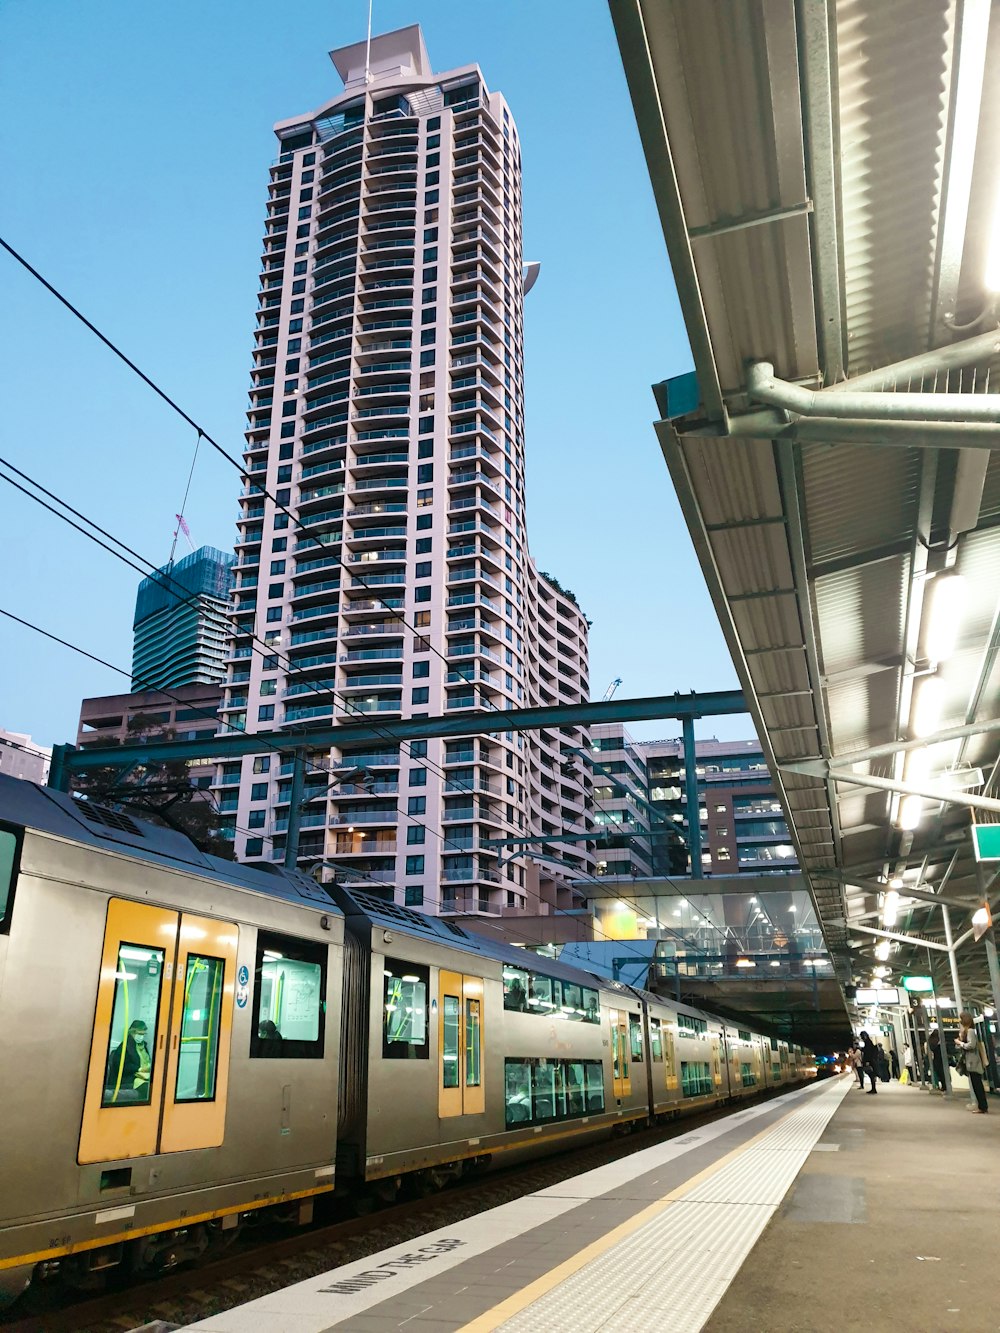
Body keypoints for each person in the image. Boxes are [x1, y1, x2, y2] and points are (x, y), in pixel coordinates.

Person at [106, 1020, 152, 1101]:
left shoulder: (143, 1045)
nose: (141, 1036)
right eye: (139, 1034)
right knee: (148, 1088)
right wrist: (139, 1069)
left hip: (144, 1075)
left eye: (143, 1034)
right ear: (132, 1032)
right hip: (130, 1077)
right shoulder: (125, 1046)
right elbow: (120, 1066)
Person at [956, 1012, 989, 1114]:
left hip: (973, 1061)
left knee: (977, 1085)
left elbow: (971, 1045)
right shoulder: (969, 1031)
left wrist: (960, 1043)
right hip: (971, 1061)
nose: (960, 1021)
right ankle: (982, 1106)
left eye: (961, 1019)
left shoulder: (970, 1031)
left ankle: (982, 1106)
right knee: (976, 1084)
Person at [928, 1028, 946, 1093]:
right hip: (941, 1058)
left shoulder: (931, 1040)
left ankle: (940, 1085)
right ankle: (944, 1086)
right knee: (943, 1073)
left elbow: (931, 1048)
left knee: (938, 1073)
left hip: (936, 1059)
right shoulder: (940, 1041)